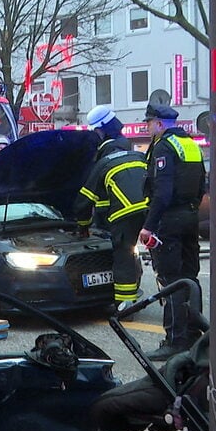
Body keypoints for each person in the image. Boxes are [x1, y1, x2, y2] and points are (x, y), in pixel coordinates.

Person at [138, 103, 206, 361]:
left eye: (149, 123)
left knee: (170, 281)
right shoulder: (191, 144)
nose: (147, 128)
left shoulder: (164, 147)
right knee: (190, 278)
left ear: (158, 123)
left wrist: (149, 225)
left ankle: (174, 341)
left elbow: (162, 192)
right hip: (190, 216)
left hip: (170, 219)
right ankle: (193, 335)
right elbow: (202, 184)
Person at [73, 105, 148, 312]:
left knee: (124, 257)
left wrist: (83, 226)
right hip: (151, 211)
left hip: (125, 215)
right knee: (157, 256)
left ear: (100, 131)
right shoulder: (138, 156)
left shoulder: (103, 162)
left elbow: (84, 201)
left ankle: (125, 306)